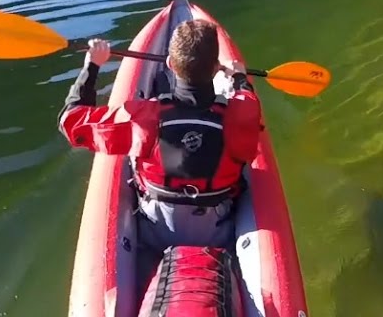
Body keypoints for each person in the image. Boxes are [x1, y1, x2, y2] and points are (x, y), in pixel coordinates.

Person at [58, 18, 263, 255]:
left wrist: (92, 65)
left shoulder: (142, 116)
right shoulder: (240, 115)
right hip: (218, 228)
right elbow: (246, 100)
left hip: (156, 229)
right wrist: (239, 78)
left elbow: (71, 121)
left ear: (170, 65)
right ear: (216, 68)